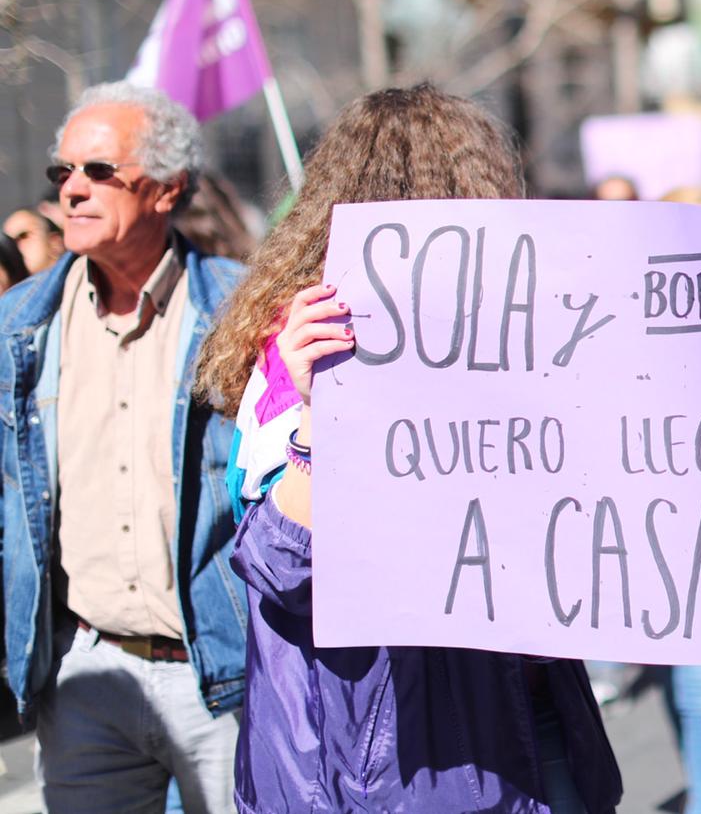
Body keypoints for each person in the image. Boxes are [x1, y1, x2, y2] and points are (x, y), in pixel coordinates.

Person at [193, 84, 622, 813]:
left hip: (519, 713)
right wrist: (314, 414)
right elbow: (281, 568)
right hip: (385, 752)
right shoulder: (303, 352)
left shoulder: (526, 335)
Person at [0, 82, 246, 812]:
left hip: (221, 678)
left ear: (168, 189)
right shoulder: (20, 326)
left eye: (98, 171)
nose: (72, 190)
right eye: (64, 173)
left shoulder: (240, 309)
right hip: (84, 674)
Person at [3, 205, 64, 275]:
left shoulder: (76, 279)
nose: (12, 246)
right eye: (9, 241)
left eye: (23, 236)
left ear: (55, 243)